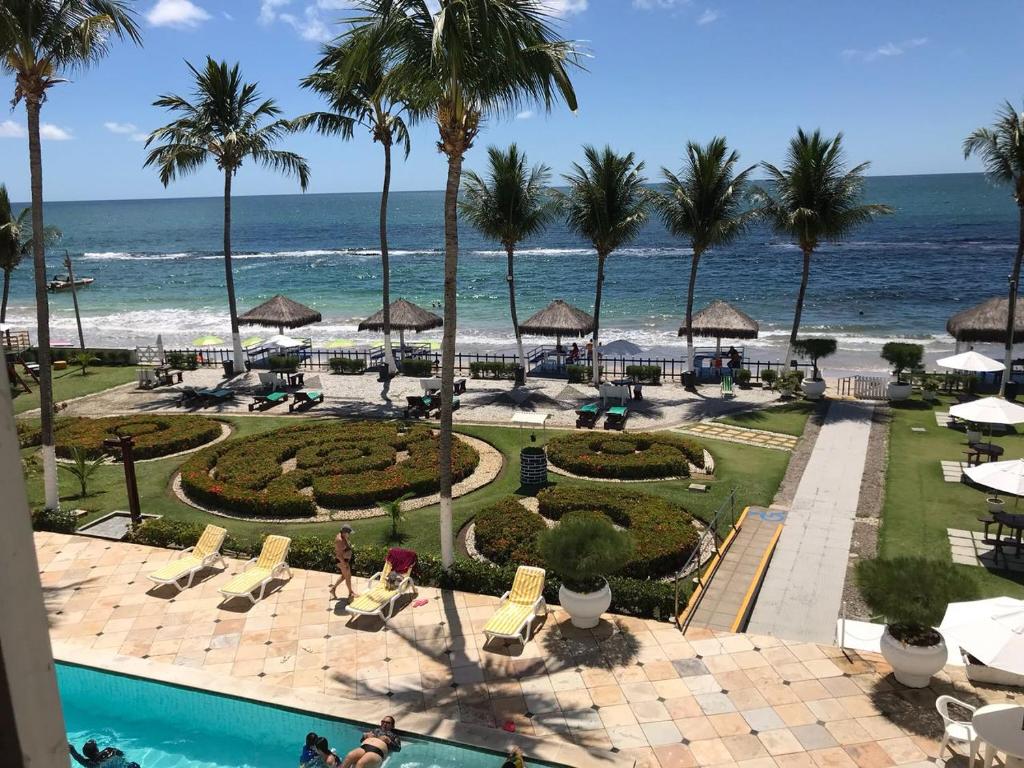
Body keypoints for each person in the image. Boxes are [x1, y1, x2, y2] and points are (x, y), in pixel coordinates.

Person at [329, 525, 357, 601]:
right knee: (348, 577)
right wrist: (344, 564)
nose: (349, 534)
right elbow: (338, 555)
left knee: (344, 576)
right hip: (342, 561)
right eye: (349, 533)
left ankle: (333, 589)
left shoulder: (343, 537)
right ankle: (350, 593)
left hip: (345, 560)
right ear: (344, 533)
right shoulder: (339, 540)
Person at [69, 740, 139, 768]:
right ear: (97, 749)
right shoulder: (110, 750)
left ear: (86, 755)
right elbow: (122, 754)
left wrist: (71, 748)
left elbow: (78, 757)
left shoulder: (91, 763)